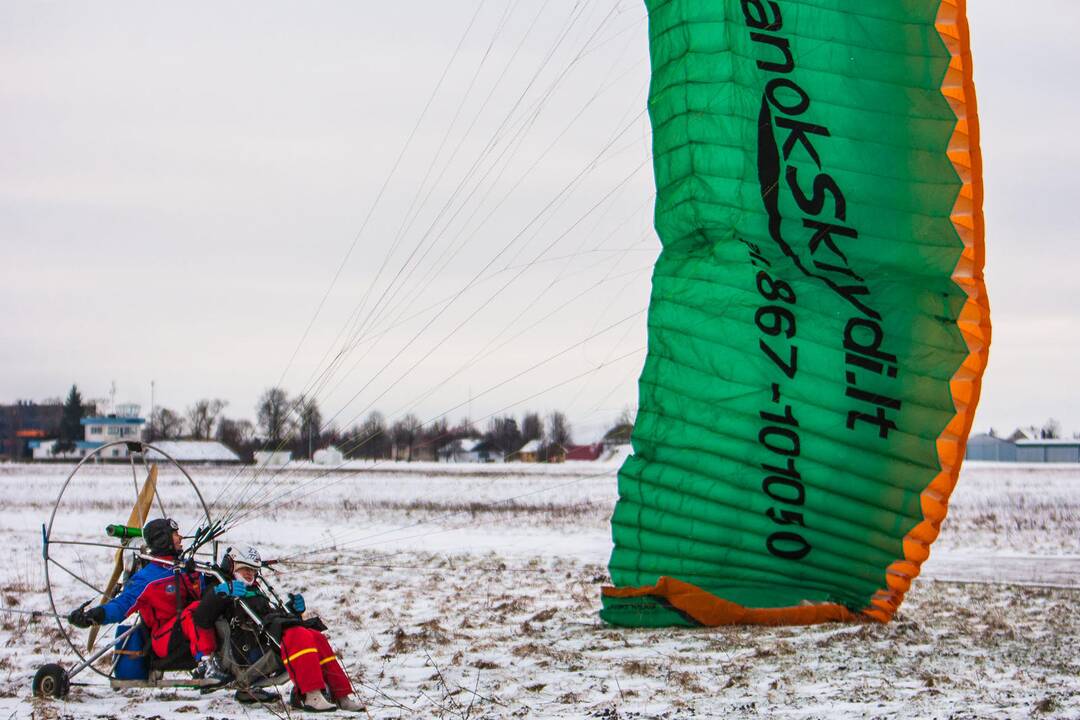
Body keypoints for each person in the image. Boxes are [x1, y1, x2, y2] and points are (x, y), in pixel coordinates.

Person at [198, 544, 363, 713]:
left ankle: (340, 695)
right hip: (245, 655)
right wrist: (218, 593)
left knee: (315, 637)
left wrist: (293, 612)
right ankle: (311, 695)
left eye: (253, 570)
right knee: (298, 635)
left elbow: (268, 617)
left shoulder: (254, 591)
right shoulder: (218, 588)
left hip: (264, 641)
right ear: (231, 566)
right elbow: (202, 618)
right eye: (244, 568)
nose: (250, 573)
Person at [66, 517, 230, 686]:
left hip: (189, 632)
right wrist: (93, 616)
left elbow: (204, 593)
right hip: (164, 640)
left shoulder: (185, 568)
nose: (180, 538)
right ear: (163, 540)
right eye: (175, 534)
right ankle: (206, 665)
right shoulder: (147, 579)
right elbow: (122, 605)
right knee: (198, 610)